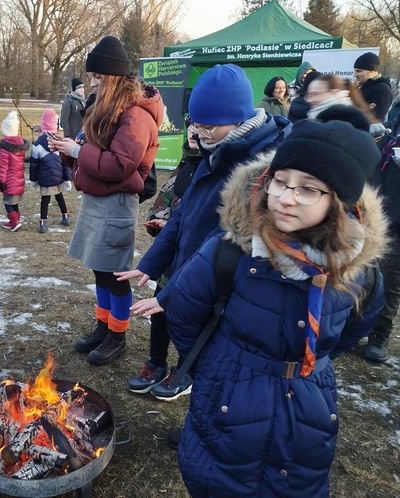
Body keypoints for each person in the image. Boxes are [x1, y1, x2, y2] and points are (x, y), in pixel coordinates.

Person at [163, 119, 386, 496]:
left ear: (338, 201)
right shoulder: (230, 252)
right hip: (228, 400)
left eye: (308, 189)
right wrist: (221, 370)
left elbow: (352, 329)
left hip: (307, 408)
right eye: (280, 181)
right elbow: (184, 311)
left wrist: (308, 363)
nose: (285, 197)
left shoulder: (354, 270)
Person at [116, 64, 291, 397]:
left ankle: (189, 374)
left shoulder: (260, 165)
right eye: (194, 123)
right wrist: (150, 263)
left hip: (220, 280)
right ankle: (169, 367)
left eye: (208, 125)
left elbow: (223, 240)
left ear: (237, 119)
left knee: (206, 344)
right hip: (185, 264)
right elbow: (183, 214)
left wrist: (171, 294)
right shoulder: (216, 150)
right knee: (171, 317)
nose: (199, 132)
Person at [51, 35, 163, 366]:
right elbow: (101, 155)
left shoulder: (137, 116)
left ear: (112, 77)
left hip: (116, 204)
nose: (93, 82)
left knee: (114, 273)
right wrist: (72, 149)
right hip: (100, 200)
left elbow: (118, 165)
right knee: (100, 270)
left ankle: (117, 337)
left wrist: (77, 151)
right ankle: (103, 326)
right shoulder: (111, 108)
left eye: (98, 77)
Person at [127, 118, 201, 398]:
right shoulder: (183, 170)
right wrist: (158, 221)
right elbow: (162, 207)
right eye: (190, 125)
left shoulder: (216, 171)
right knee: (159, 317)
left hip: (196, 265)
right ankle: (155, 364)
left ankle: (184, 371)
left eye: (200, 125)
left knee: (186, 318)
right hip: (171, 262)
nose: (194, 130)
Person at [366, 124, 400, 362]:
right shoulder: (390, 144)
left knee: (391, 279)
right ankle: (352, 323)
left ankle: (380, 332)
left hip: (397, 227)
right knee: (361, 274)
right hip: (376, 216)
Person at [30, 108, 72, 233]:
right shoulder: (60, 142)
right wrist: (67, 178)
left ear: (42, 124)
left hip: (44, 178)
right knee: (59, 196)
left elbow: (33, 165)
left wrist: (33, 180)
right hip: (58, 177)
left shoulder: (37, 145)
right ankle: (65, 216)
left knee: (45, 200)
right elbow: (66, 163)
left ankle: (43, 222)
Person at [0, 111, 29, 232]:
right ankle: (14, 220)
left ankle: (15, 221)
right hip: (18, 179)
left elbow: (3, 167)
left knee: (7, 202)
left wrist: (2, 182)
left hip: (9, 180)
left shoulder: (5, 147)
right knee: (13, 201)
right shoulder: (20, 145)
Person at [354, 52, 393, 121]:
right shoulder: (363, 86)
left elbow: (375, 120)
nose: (355, 75)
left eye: (359, 71)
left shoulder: (382, 90)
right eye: (355, 71)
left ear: (372, 71)